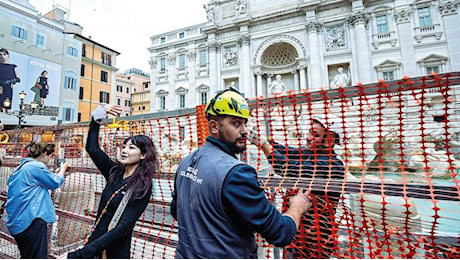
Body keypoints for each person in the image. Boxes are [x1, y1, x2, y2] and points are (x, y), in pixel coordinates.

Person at [170, 88, 312, 258]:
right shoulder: (237, 173)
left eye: (245, 123)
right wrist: (297, 206)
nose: (244, 131)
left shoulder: (186, 161)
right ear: (214, 126)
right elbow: (280, 232)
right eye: (236, 123)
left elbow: (176, 211)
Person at [59, 104, 159, 259]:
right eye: (124, 146)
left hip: (113, 251)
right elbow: (92, 149)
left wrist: (80, 254)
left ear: (143, 155)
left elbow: (124, 227)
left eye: (131, 148)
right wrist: (96, 118)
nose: (124, 150)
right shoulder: (115, 172)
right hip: (93, 244)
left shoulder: (142, 185)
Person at [249, 114, 346, 258]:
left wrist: (265, 146)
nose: (308, 137)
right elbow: (288, 151)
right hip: (297, 238)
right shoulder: (311, 153)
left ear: (329, 141)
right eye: (309, 132)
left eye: (315, 135)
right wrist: (264, 140)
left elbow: (286, 168)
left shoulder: (330, 165)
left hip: (314, 244)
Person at [5, 141, 70, 259]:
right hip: (32, 221)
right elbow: (55, 182)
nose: (50, 160)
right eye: (50, 156)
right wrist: (63, 170)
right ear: (44, 154)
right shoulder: (37, 167)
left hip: (18, 221)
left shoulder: (21, 167)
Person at [0, 48, 21, 113]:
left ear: (8, 55)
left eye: (4, 54)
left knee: (7, 105)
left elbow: (18, 79)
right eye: (0, 55)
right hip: (0, 87)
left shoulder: (13, 66)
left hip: (8, 88)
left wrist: (10, 81)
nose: (2, 56)